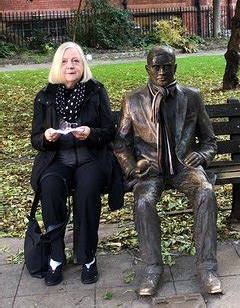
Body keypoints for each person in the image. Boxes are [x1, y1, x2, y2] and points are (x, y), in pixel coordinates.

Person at [114, 45, 221, 296]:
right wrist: (132, 167)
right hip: (150, 171)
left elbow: (210, 141)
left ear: (176, 67)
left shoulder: (192, 97)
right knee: (143, 203)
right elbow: (121, 142)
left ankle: (207, 268)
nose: (162, 72)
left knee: (205, 192)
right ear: (147, 69)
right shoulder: (133, 100)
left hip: (184, 168)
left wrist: (202, 154)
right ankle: (152, 269)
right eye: (156, 67)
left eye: (167, 66)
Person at [30, 42, 123, 286]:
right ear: (57, 65)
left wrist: (91, 132)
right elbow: (35, 139)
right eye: (65, 61)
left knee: (88, 190)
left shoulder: (96, 90)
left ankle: (87, 257)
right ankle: (56, 257)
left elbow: (109, 131)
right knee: (50, 188)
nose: (70, 66)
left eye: (75, 61)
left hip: (91, 158)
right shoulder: (44, 96)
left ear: (83, 65)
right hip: (56, 160)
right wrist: (47, 138)